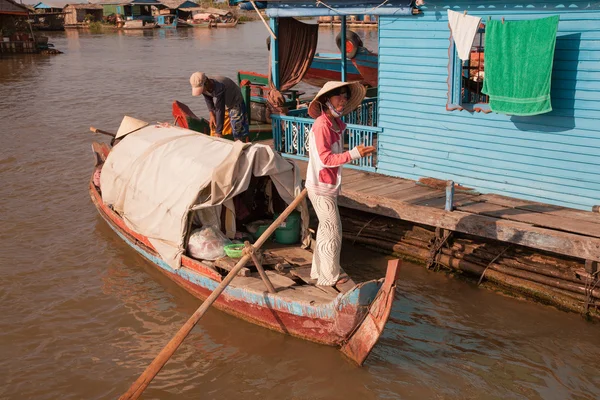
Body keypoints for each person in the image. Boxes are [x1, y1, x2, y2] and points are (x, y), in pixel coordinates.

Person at [305, 81, 375, 287]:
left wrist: (353, 153)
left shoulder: (334, 124)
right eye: (339, 96)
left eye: (345, 96)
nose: (343, 100)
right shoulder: (322, 125)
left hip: (328, 185)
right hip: (320, 186)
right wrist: (354, 153)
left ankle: (318, 272)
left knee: (326, 230)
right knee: (333, 230)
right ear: (327, 100)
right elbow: (326, 159)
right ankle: (329, 278)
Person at [190, 72, 249, 140]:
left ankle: (239, 142)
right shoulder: (205, 87)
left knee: (237, 128)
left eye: (202, 89)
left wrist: (219, 132)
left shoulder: (219, 87)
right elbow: (208, 99)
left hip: (235, 100)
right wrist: (211, 113)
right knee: (214, 122)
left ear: (206, 83)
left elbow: (220, 109)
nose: (202, 91)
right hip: (225, 102)